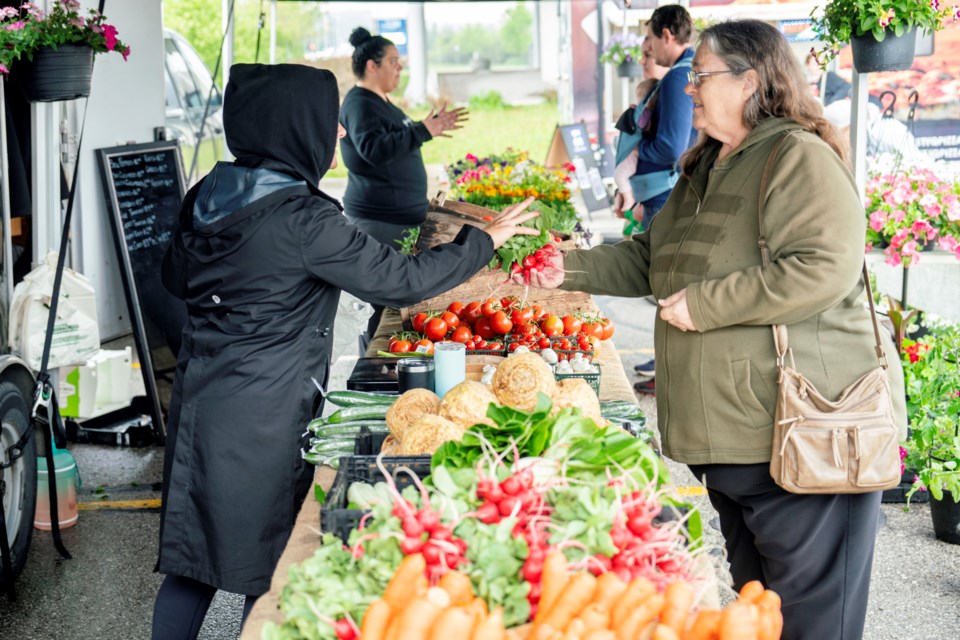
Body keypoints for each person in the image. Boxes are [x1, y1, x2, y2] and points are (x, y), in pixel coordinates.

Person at [521, 20, 906, 640]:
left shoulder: (797, 156)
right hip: (735, 442)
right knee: (760, 616)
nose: (689, 88)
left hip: (801, 436)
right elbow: (654, 259)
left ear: (750, 80)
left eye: (699, 75)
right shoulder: (708, 163)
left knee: (810, 622)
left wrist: (708, 305)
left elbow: (825, 267)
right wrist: (565, 268)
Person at [151, 63, 538, 640]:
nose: (337, 133)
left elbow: (174, 278)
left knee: (194, 561)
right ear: (293, 128)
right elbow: (399, 281)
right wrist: (482, 241)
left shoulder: (208, 192)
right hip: (263, 413)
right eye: (325, 121)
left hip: (203, 397)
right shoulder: (304, 219)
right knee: (263, 566)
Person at [339, 26, 468, 346]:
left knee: (391, 302)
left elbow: (394, 139)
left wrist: (422, 127)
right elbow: (373, 149)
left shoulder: (379, 102)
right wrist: (423, 129)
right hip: (380, 222)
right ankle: (372, 371)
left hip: (397, 219)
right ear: (372, 65)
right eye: (393, 61)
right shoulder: (360, 103)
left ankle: (384, 361)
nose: (400, 68)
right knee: (380, 303)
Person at [626, 5, 698, 390]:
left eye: (652, 39)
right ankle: (664, 362)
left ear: (668, 34)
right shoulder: (687, 72)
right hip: (672, 190)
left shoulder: (676, 78)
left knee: (665, 279)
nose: (650, 49)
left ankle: (667, 370)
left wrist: (637, 156)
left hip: (664, 191)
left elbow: (671, 146)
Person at [611, 37, 670, 233]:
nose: (641, 62)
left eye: (648, 55)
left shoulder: (664, 103)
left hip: (653, 194)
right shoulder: (648, 105)